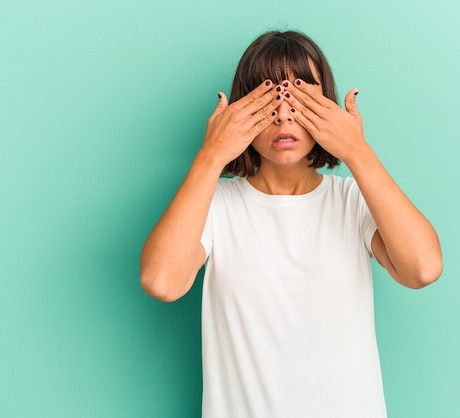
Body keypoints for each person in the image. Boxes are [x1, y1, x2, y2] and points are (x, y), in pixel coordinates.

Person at [140, 30, 442, 418]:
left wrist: (356, 151)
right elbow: (161, 282)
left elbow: (423, 268)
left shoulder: (352, 201)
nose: (283, 114)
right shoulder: (214, 207)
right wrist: (210, 155)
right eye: (269, 99)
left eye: (299, 98)